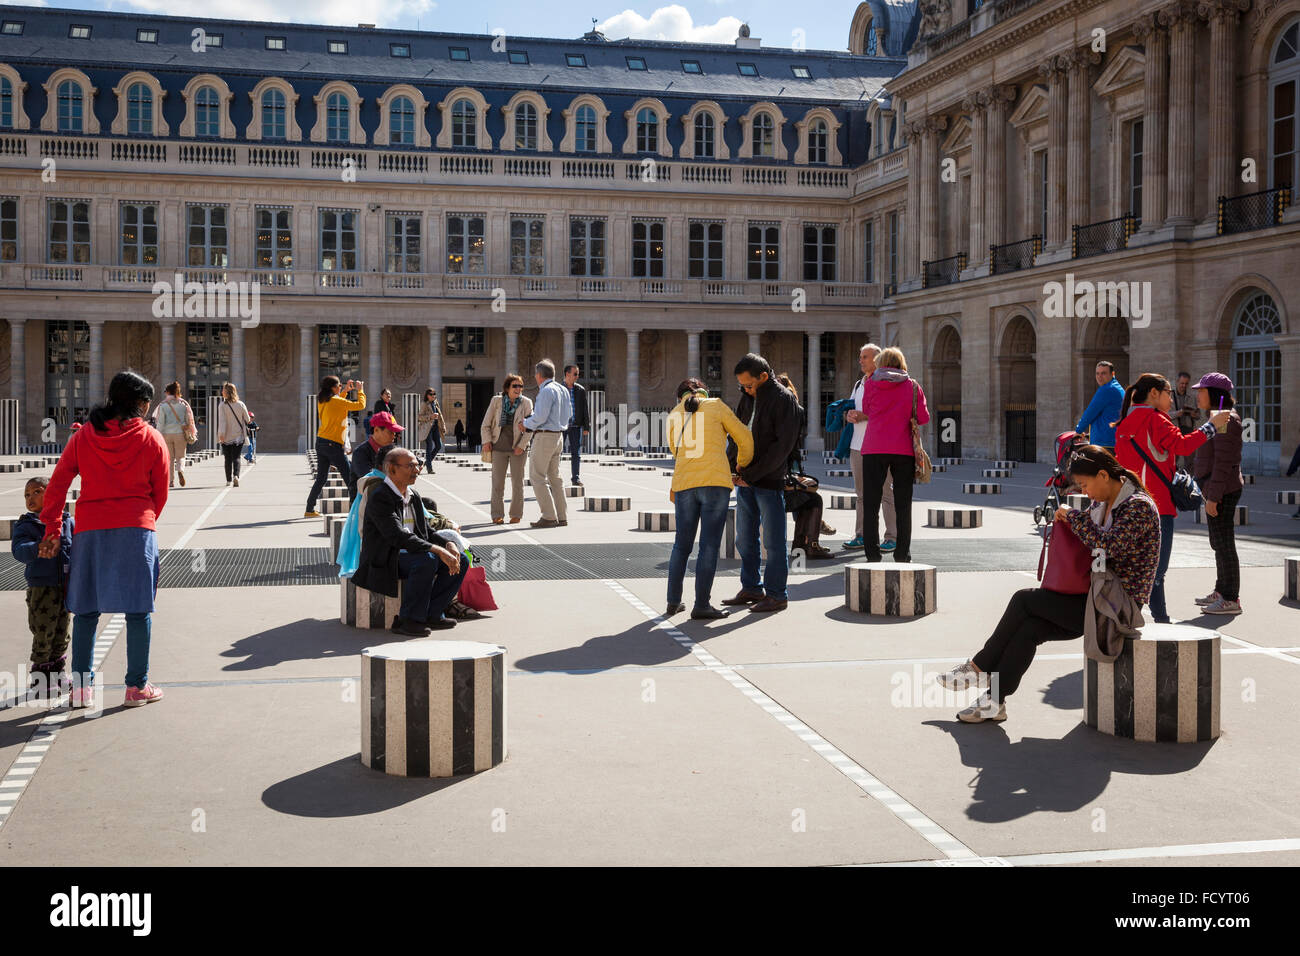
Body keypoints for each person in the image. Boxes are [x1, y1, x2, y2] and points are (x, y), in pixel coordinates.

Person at [936, 446, 1162, 723]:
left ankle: (978, 667)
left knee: (1023, 600)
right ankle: (995, 702)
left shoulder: (1138, 506)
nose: (1085, 492)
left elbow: (1109, 545)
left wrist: (1074, 518)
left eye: (1085, 484)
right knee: (1029, 628)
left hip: (1116, 607)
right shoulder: (1104, 503)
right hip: (1094, 596)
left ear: (1103, 475)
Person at [38, 369, 169, 709]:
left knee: (86, 610)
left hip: (90, 530)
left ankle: (82, 689)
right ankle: (136, 688)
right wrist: (146, 517)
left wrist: (52, 526)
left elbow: (57, 484)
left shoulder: (82, 437)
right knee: (139, 611)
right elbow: (161, 491)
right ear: (139, 403)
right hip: (137, 529)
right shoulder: (151, 439)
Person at [1114, 372, 1230, 623]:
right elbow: (1183, 446)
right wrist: (1211, 426)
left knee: (1134, 564)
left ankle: (1128, 615)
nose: (1171, 398)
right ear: (1154, 394)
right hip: (1158, 504)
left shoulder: (1125, 422)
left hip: (1128, 502)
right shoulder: (1157, 420)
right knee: (1157, 569)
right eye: (1168, 392)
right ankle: (1161, 620)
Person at [351, 447, 469, 636]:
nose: (417, 470)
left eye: (417, 464)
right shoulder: (381, 497)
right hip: (385, 557)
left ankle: (433, 613)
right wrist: (438, 551)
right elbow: (396, 536)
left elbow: (426, 531)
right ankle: (408, 620)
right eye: (410, 466)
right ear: (392, 469)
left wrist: (448, 544)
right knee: (427, 559)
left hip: (410, 552)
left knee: (461, 559)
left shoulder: (413, 496)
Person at [665, 378, 753, 619]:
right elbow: (744, 437)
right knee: (709, 545)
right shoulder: (716, 405)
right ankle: (701, 604)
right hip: (715, 483)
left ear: (680, 395)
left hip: (684, 483)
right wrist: (741, 464)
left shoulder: (674, 413)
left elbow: (675, 449)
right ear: (704, 391)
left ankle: (673, 602)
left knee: (681, 546)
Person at [721, 353, 801, 614]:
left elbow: (782, 446)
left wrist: (753, 474)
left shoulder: (783, 399)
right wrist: (731, 467)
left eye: (749, 384)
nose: (745, 389)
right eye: (742, 385)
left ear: (764, 377)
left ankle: (777, 594)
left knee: (774, 541)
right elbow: (736, 434)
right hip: (744, 481)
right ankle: (752, 587)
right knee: (745, 538)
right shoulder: (747, 398)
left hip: (768, 480)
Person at [857, 347, 928, 565]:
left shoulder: (870, 383)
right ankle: (902, 554)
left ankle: (872, 555)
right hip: (902, 450)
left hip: (873, 448)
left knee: (870, 503)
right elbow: (923, 418)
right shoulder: (913, 386)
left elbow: (867, 409)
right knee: (903, 504)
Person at [13, 477, 74, 697]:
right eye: (27, 495)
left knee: (62, 632)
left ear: (52, 494)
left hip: (65, 587)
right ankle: (41, 677)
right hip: (41, 589)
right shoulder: (26, 525)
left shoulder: (67, 521)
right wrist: (36, 547)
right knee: (43, 632)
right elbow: (18, 550)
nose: (30, 498)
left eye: (36, 492)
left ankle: (57, 672)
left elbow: (77, 547)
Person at [1191, 373, 1244, 615]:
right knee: (1218, 543)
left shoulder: (1224, 419)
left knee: (1224, 545)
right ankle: (1222, 591)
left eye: (1201, 391)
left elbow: (1224, 462)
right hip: (1215, 488)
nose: (1197, 395)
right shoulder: (1217, 417)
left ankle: (1231, 598)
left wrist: (1213, 496)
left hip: (1222, 490)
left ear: (1214, 394)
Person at [842, 343, 897, 552]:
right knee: (862, 495)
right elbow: (853, 408)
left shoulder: (885, 382)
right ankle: (862, 535)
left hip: (880, 446)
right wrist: (849, 416)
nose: (861, 360)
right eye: (860, 356)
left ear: (877, 359)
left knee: (885, 493)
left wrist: (864, 416)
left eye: (865, 357)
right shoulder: (859, 384)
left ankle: (891, 536)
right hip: (857, 446)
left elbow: (888, 413)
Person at [776, 373, 833, 560]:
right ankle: (808, 544)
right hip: (777, 475)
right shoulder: (791, 412)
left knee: (806, 495)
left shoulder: (769, 409)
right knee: (812, 499)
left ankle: (803, 543)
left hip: (773, 472)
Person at [521, 360, 572, 529]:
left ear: (539, 375)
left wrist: (526, 423)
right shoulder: (563, 389)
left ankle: (549, 516)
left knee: (537, 476)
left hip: (544, 437)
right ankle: (561, 516)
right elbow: (569, 414)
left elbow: (540, 417)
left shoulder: (546, 391)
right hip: (558, 436)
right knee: (555, 478)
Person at [305, 376, 366, 518]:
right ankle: (356, 510)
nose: (341, 387)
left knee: (321, 478)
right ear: (333, 387)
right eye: (339, 385)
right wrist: (360, 390)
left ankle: (309, 508)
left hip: (321, 442)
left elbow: (339, 403)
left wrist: (345, 391)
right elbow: (360, 405)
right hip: (333, 444)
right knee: (350, 477)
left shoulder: (323, 400)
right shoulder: (337, 401)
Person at [481, 374, 534, 525]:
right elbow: (486, 424)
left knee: (518, 483)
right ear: (507, 388)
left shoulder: (526, 403)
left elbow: (530, 428)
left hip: (518, 448)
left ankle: (516, 514)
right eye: (515, 386)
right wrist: (486, 441)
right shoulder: (496, 401)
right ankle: (497, 514)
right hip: (498, 447)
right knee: (498, 483)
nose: (518, 389)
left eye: (520, 386)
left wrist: (521, 446)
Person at [152, 381, 196, 489]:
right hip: (180, 434)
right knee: (181, 456)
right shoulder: (183, 406)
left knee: (169, 459)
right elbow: (188, 421)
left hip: (167, 434)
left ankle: (170, 481)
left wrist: (158, 435)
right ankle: (180, 470)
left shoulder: (163, 406)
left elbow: (161, 422)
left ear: (168, 392)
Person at [1075, 360, 1125, 452]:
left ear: (1112, 374)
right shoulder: (1117, 387)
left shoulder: (1107, 389)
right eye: (1097, 373)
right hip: (1113, 440)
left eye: (1103, 373)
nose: (1099, 377)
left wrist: (1078, 431)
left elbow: (1090, 412)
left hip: (1105, 442)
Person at [351, 411, 403, 488]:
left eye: (395, 433)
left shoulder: (393, 451)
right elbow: (371, 480)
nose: (393, 436)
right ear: (376, 430)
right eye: (390, 432)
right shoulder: (360, 453)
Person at [216, 382, 252, 488]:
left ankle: (228, 480)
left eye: (223, 390)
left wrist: (221, 435)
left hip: (226, 436)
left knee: (227, 459)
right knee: (236, 457)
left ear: (226, 392)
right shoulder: (241, 404)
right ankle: (236, 476)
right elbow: (248, 419)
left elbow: (222, 421)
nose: (222, 391)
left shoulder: (222, 405)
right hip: (238, 436)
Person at [563, 364, 590, 485]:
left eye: (578, 374)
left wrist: (586, 427)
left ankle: (576, 478)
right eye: (575, 374)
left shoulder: (580, 390)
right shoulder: (558, 388)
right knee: (556, 453)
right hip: (561, 426)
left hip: (575, 426)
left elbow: (585, 409)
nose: (577, 376)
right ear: (567, 374)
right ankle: (554, 478)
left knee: (576, 453)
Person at [1170, 371, 1198, 471]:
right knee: (1173, 459)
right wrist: (1177, 413)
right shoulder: (1169, 396)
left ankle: (1189, 482)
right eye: (1182, 383)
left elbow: (1198, 415)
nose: (1184, 386)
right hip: (1175, 431)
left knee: (1190, 460)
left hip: (1189, 430)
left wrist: (1195, 415)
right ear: (1177, 382)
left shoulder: (1192, 397)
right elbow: (1164, 415)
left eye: (1186, 384)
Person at [417, 388, 444, 467]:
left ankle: (427, 462)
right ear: (427, 396)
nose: (433, 396)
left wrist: (443, 426)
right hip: (427, 428)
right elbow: (419, 417)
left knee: (438, 445)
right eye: (431, 394)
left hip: (435, 427)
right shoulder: (424, 404)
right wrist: (430, 417)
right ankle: (429, 467)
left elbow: (440, 415)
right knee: (429, 446)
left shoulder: (435, 403)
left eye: (434, 394)